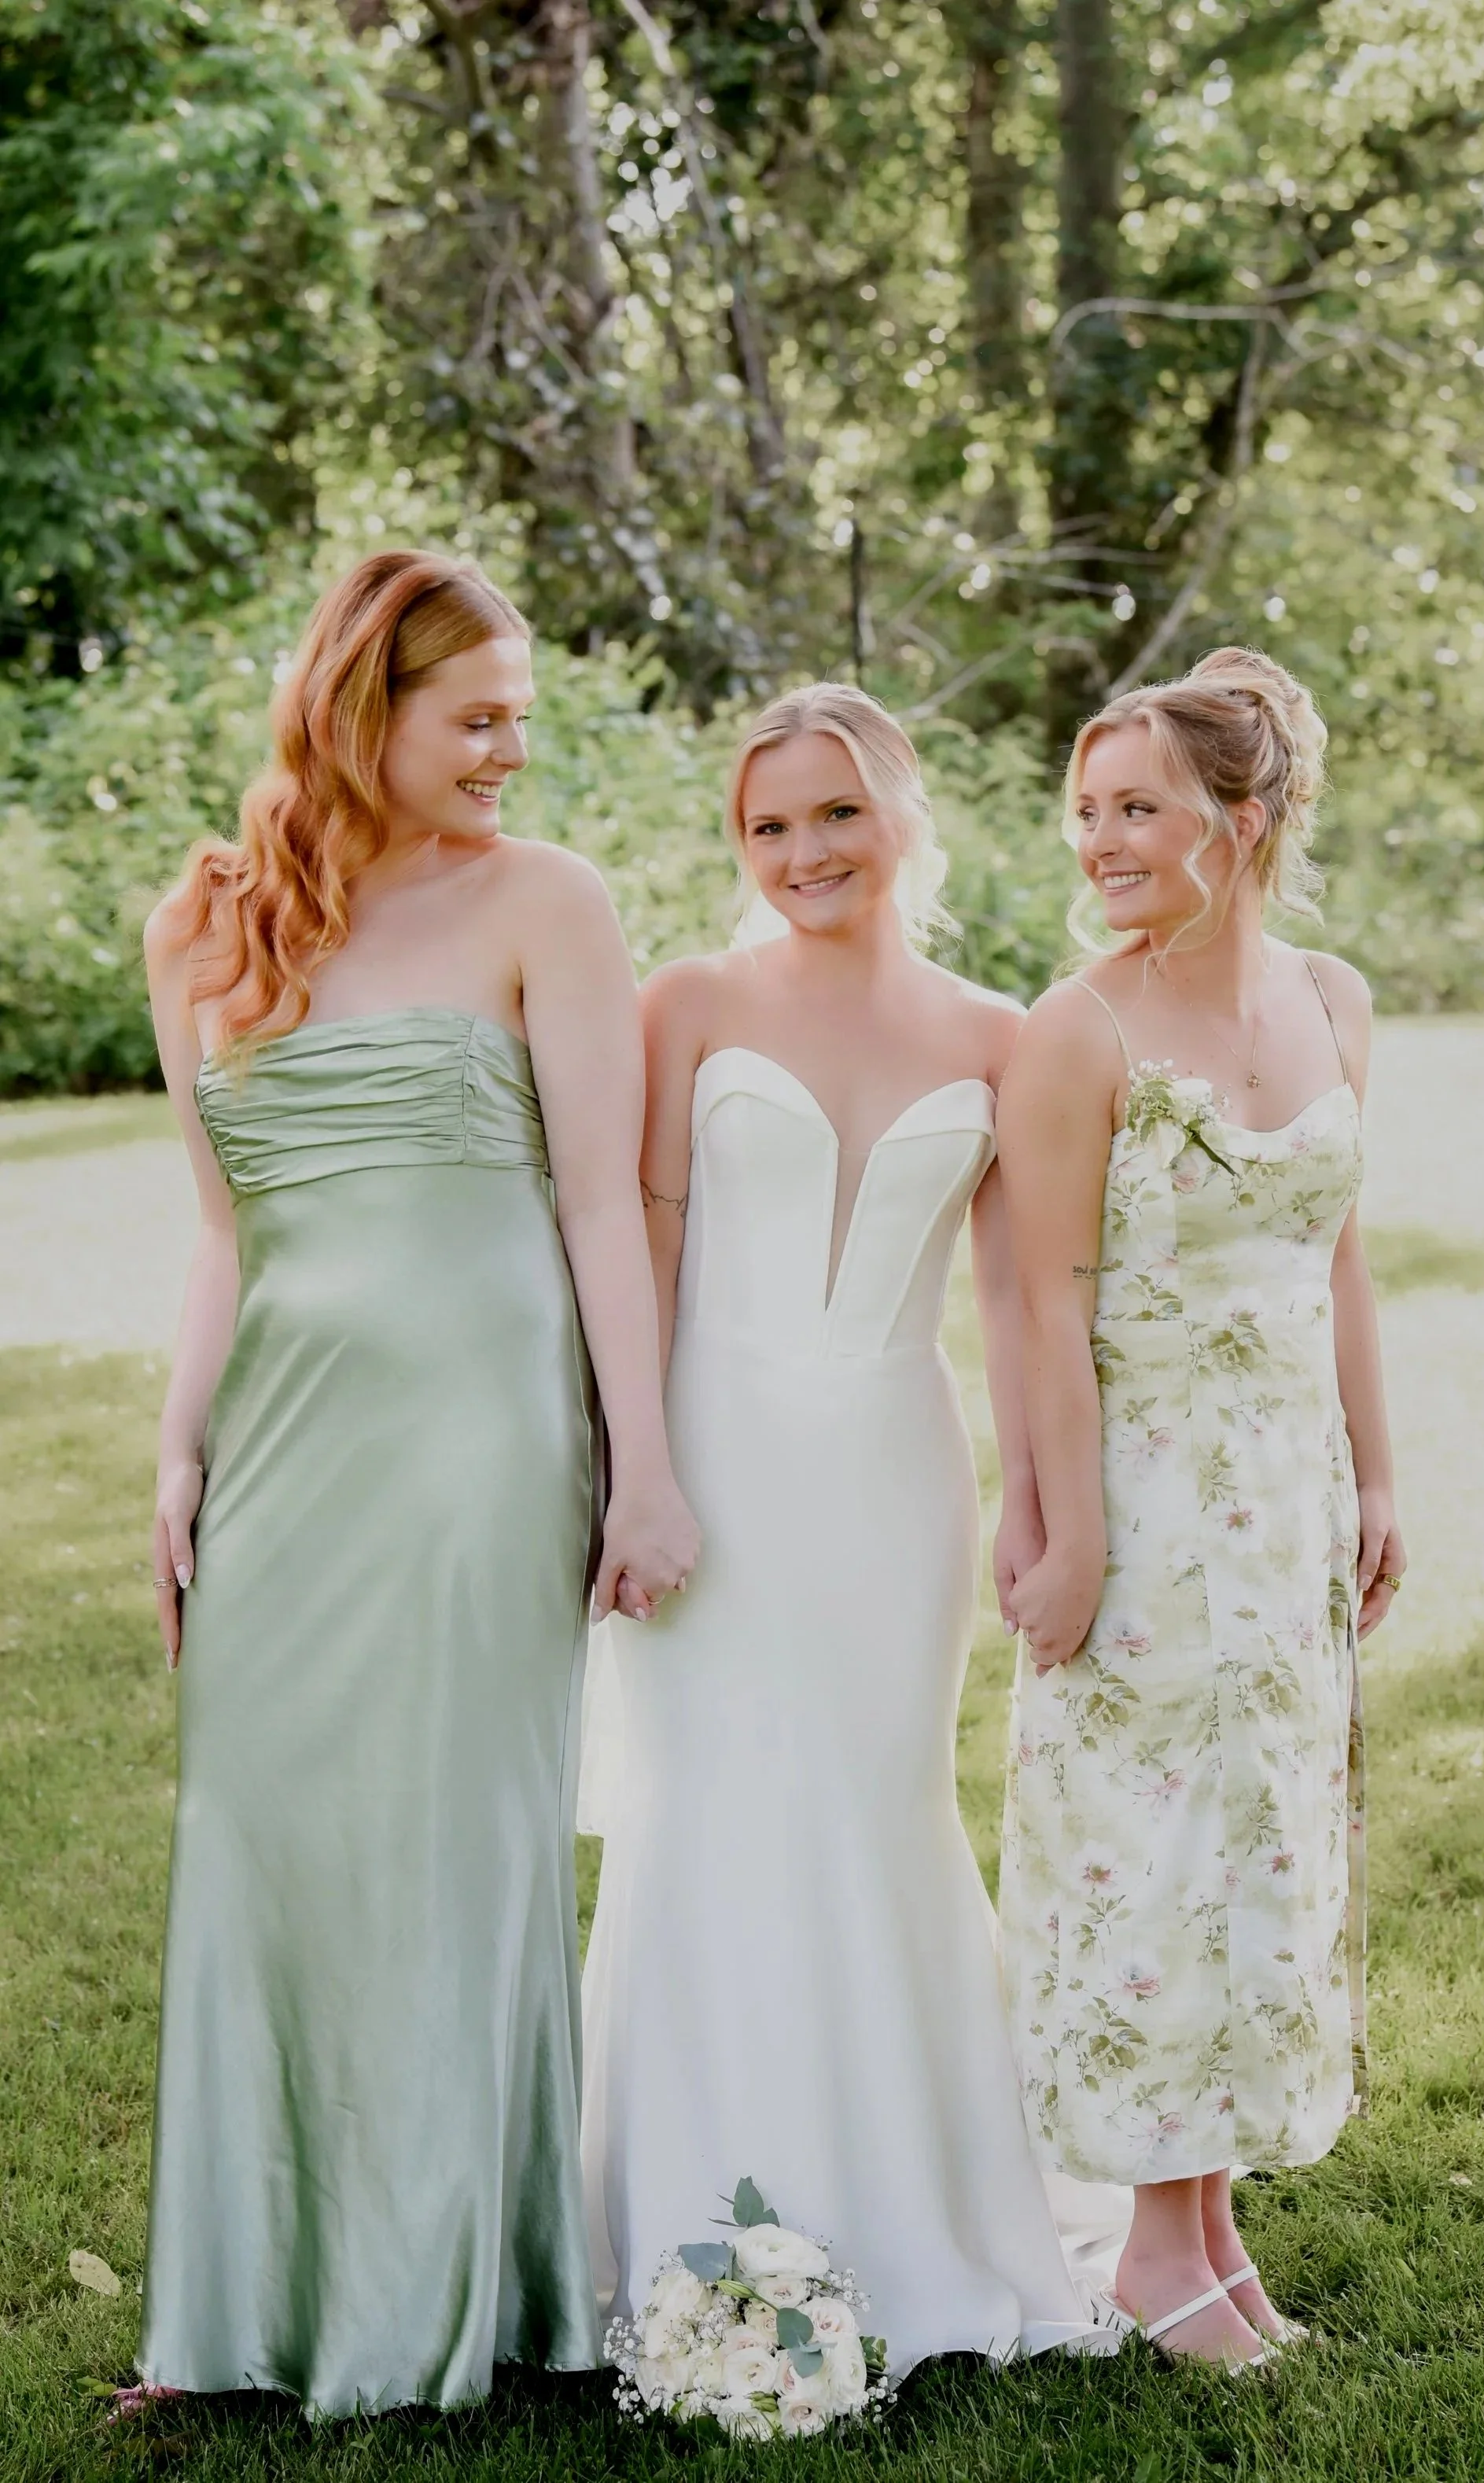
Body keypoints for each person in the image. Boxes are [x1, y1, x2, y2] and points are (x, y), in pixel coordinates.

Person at [138, 549, 698, 2416]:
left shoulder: (548, 901)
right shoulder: (205, 928)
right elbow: (224, 1231)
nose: (510, 752)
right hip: (282, 1448)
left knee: (460, 1852)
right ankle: (230, 2327)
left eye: (518, 719)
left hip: (483, 1441)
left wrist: (643, 1468)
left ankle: (493, 2305)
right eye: (478, 718)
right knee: (257, 1841)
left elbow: (602, 1205)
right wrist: (175, 1443)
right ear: (361, 707)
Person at [579, 682, 1096, 2374]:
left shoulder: (998, 1035)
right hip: (711, 1464)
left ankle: (905, 2219)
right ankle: (691, 2228)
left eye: (835, 814)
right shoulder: (688, 1002)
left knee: (879, 1822)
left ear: (903, 815)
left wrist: (1047, 1510)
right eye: (769, 825)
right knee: (713, 1816)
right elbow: (638, 1254)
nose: (804, 852)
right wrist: (634, 1467)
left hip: (893, 1476)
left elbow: (1025, 1307)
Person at [996, 648, 1404, 2367]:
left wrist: (1379, 1470)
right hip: (1148, 1499)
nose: (1101, 840)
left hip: (1289, 1495)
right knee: (1151, 1852)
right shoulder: (1075, 1031)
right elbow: (1034, 1301)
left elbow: (1341, 1252)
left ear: (1242, 822)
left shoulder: (1334, 997)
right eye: (1088, 811)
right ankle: (1156, 2255)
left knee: (1265, 1848)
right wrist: (1068, 1534)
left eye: (1138, 807)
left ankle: (1212, 2228)